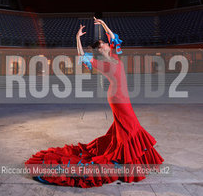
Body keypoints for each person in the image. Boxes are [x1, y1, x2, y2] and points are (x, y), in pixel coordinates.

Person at [24, 17, 164, 188]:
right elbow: (82, 55)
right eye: (104, 43)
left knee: (126, 127)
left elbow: (113, 37)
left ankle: (132, 160)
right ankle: (128, 163)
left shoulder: (114, 53)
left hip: (123, 96)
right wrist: (77, 38)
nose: (107, 42)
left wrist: (103, 23)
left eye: (106, 42)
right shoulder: (101, 63)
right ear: (100, 48)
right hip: (117, 98)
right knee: (131, 126)